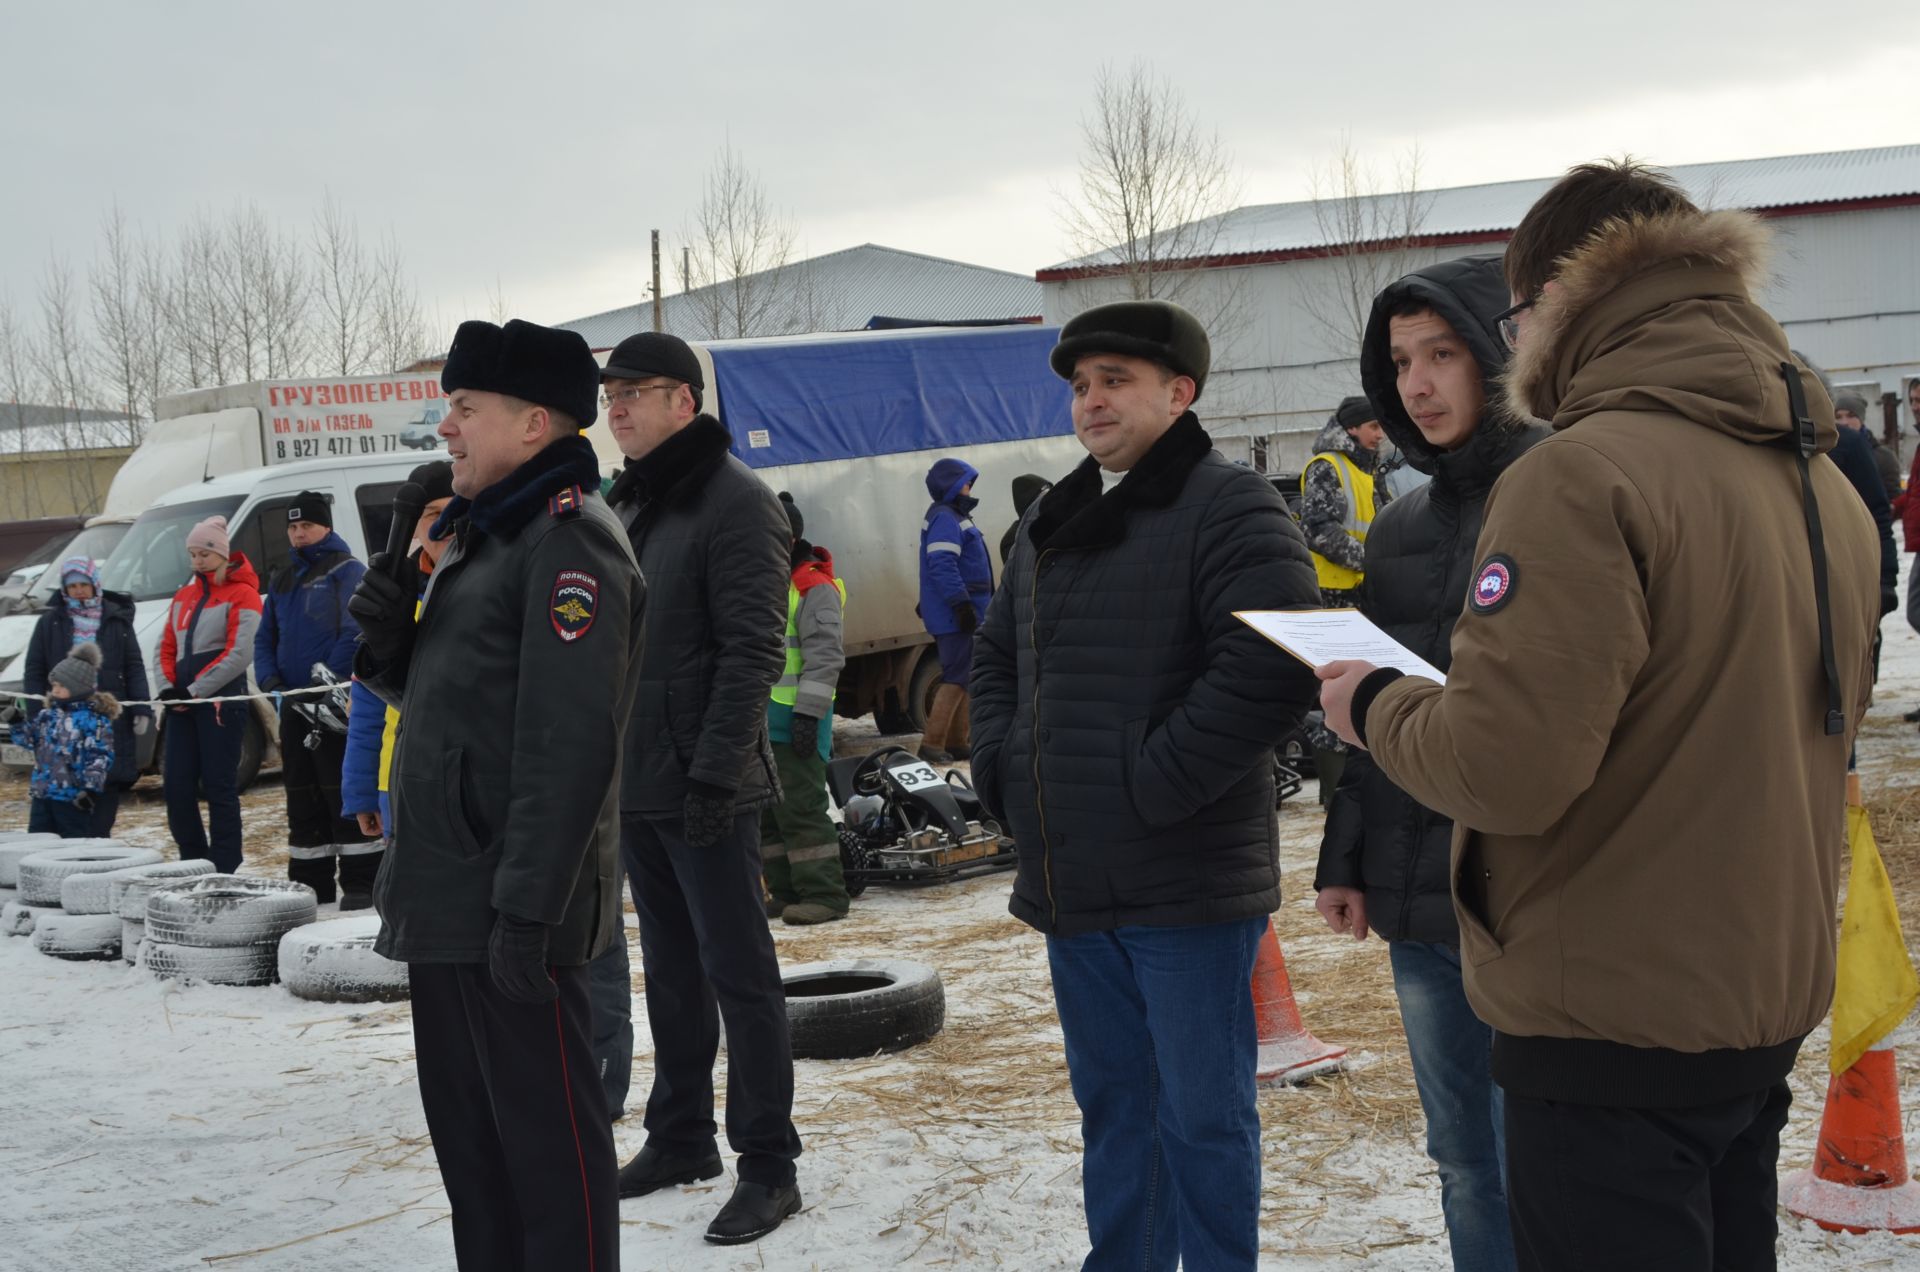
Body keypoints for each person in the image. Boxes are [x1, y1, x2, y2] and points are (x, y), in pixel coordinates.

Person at [1317, 160, 1881, 1272]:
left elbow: (1507, 765)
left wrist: (1374, 704)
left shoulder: (1581, 473)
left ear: (1544, 309)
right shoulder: (1814, 480)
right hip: (1753, 994)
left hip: (1611, 1009)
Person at [970, 299, 1321, 1270]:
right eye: (1081, 386)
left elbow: (1271, 669)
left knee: (1203, 1118)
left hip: (1185, 887)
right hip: (1075, 884)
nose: (1091, 402)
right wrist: (1004, 771)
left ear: (1180, 391)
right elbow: (996, 659)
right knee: (1117, 1112)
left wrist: (1149, 785)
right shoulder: (1054, 515)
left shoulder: (1231, 505)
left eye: (1114, 380)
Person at [348, 318, 642, 1271]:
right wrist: (393, 648)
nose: (446, 429)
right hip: (450, 899)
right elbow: (458, 711)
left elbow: (568, 747)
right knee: (476, 1162)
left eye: (464, 408)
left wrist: (525, 912)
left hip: (514, 915)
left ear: (534, 424)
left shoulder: (567, 547)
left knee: (549, 1164)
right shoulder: (486, 540)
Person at [1312, 254, 1542, 1272]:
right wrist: (1343, 857)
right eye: (1401, 359)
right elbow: (1369, 704)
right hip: (1419, 894)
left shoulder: (1558, 493)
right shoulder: (1399, 525)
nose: (1416, 383)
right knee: (1461, 1158)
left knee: (1541, 1151)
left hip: (1532, 895)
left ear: (1502, 350)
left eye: (1442, 352)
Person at [595, 330, 802, 1244]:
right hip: (637, 779)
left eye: (634, 393)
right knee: (672, 977)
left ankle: (769, 1162)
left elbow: (754, 648)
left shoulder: (735, 503)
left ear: (685, 400)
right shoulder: (631, 504)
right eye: (610, 397)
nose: (617, 410)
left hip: (704, 783)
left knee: (741, 978)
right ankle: (680, 1135)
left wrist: (716, 773)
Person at [256, 492, 378, 907]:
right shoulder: (282, 577)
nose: (299, 533)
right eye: (292, 527)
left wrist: (330, 679)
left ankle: (361, 882)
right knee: (301, 793)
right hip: (293, 703)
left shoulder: (347, 570)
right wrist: (270, 677)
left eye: (306, 525)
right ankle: (310, 882)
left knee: (339, 790)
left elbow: (355, 630)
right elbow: (265, 635)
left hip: (334, 702)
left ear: (325, 526)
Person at [339, 461, 454, 848]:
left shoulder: (494, 583)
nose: (445, 524)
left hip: (465, 784)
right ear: (416, 526)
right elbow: (368, 709)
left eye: (455, 509)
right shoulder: (394, 600)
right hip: (396, 782)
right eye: (433, 514)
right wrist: (362, 792)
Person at [761, 491, 850, 926]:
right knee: (771, 818)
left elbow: (825, 657)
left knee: (801, 812)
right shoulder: (767, 579)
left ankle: (825, 894)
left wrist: (806, 717)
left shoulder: (812, 586)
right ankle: (785, 890)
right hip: (763, 725)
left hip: (795, 721)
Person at [156, 517, 261, 875]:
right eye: (193, 554)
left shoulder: (243, 593)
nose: (198, 560)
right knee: (176, 785)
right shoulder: (183, 596)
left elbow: (239, 654)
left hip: (219, 704)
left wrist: (196, 690)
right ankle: (193, 861)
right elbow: (165, 646)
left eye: (204, 553)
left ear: (221, 553)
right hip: (182, 705)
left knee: (219, 786)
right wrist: (169, 689)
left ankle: (225, 864)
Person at [22, 557, 149, 836]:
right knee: (64, 784)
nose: (79, 590)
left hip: (107, 714)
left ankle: (98, 845)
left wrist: (141, 706)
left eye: (84, 584)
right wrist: (34, 712)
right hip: (61, 719)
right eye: (73, 586)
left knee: (106, 779)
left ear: (95, 585)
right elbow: (34, 669)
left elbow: (134, 665)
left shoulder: (116, 619)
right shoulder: (50, 622)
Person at [916, 456, 993, 763]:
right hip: (956, 614)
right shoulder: (946, 518)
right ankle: (932, 743)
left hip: (960, 610)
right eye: (965, 481)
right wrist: (960, 604)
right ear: (951, 485)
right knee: (956, 676)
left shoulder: (950, 515)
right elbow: (942, 564)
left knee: (965, 676)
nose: (969, 486)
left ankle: (958, 741)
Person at [12, 643, 118, 838]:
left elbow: (100, 758)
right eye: (54, 685)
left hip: (72, 800)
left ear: (78, 686)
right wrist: (17, 723)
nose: (55, 690)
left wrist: (90, 789)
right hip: (43, 797)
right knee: (37, 843)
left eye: (61, 686)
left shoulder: (94, 721)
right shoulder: (47, 715)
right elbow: (28, 740)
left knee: (71, 847)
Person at [1301, 395, 1385, 605]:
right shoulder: (1326, 466)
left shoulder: (1369, 470)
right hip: (1334, 594)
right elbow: (1318, 530)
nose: (1380, 435)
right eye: (1373, 426)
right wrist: (1371, 560)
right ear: (1352, 428)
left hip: (1365, 587)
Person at [1836, 390, 1902, 502]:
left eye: (1851, 416)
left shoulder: (1884, 457)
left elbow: (1892, 498)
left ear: (1861, 419)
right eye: (1838, 417)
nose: (1844, 422)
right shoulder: (1827, 455)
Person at [999, 473, 1052, 566]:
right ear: (1030, 502)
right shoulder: (1012, 539)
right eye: (1044, 495)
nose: (1051, 499)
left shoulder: (1052, 526)